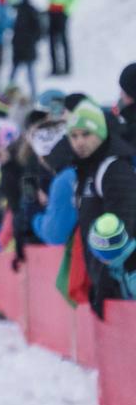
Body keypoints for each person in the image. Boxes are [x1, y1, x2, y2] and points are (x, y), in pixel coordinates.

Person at [67, 99, 136, 317]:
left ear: (101, 133)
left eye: (86, 134)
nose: (79, 142)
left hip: (123, 282)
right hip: (107, 278)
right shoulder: (88, 168)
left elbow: (126, 223)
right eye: (74, 136)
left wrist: (108, 279)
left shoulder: (113, 168)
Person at [9, 0, 42, 98]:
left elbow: (38, 29)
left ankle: (34, 96)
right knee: (13, 75)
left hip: (28, 47)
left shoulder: (31, 10)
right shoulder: (14, 9)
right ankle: (7, 96)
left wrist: (31, 40)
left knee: (30, 75)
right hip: (17, 47)